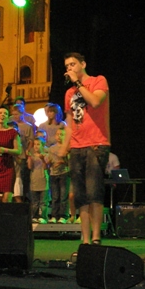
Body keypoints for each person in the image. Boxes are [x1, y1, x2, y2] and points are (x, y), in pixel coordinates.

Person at [59, 52, 110, 245]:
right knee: (80, 197)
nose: (69, 68)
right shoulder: (69, 93)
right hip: (76, 147)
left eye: (72, 64)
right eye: (67, 66)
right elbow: (70, 123)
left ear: (83, 64)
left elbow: (95, 102)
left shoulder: (98, 81)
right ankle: (86, 240)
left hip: (96, 144)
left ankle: (96, 237)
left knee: (94, 193)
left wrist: (78, 83)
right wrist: (64, 148)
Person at [47, 127, 71, 223]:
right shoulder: (51, 148)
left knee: (63, 196)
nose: (59, 136)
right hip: (53, 174)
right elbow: (49, 161)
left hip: (64, 173)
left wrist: (62, 161)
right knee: (55, 196)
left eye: (61, 134)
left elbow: (70, 162)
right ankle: (54, 215)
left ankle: (63, 215)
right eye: (57, 134)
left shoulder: (67, 148)